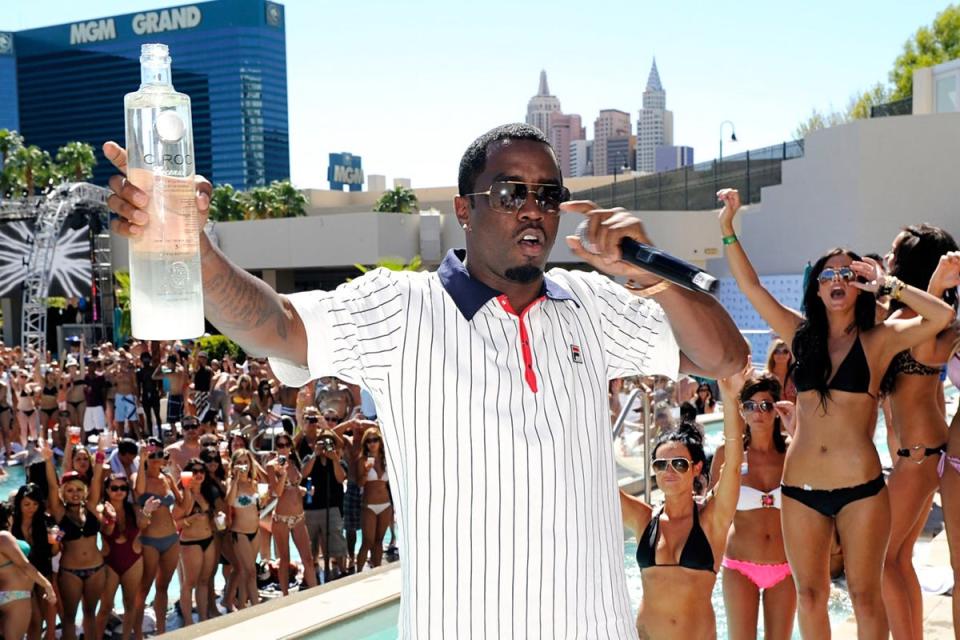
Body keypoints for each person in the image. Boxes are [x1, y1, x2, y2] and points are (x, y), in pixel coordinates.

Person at [105, 123, 747, 638]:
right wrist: (197, 248)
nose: (533, 210)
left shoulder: (590, 303)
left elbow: (724, 358)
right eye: (510, 192)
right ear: (465, 209)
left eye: (547, 194)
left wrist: (645, 271)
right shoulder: (401, 308)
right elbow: (274, 325)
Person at [717, 187, 955, 638]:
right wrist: (728, 229)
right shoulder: (800, 334)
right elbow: (751, 286)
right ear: (818, 286)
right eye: (829, 274)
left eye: (848, 272)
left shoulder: (879, 339)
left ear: (859, 283)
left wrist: (890, 284)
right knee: (810, 596)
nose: (838, 279)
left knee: (866, 596)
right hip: (801, 490)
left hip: (861, 491)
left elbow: (940, 317)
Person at [619, 361, 745, 639]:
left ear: (696, 468)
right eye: (661, 465)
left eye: (679, 463)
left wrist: (731, 397)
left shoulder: (712, 519)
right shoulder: (644, 519)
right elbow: (599, 483)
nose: (670, 471)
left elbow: (733, 464)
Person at [878, 226, 960, 640]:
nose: (888, 256)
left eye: (894, 249)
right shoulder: (909, 315)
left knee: (881, 558)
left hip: (919, 455)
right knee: (899, 556)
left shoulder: (923, 320)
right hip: (921, 452)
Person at [709, 374, 796, 640]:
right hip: (739, 565)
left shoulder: (793, 452)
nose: (758, 413)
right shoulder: (728, 454)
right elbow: (713, 514)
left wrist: (796, 430)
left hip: (786, 566)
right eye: (750, 405)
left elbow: (822, 490)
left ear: (777, 409)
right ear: (741, 410)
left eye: (766, 405)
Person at [42, 441, 106, 640]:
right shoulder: (60, 513)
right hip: (70, 571)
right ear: (64, 493)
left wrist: (100, 455)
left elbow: (96, 480)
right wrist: (47, 459)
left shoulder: (92, 507)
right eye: (70, 490)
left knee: (90, 615)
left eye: (78, 489)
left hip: (97, 568)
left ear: (84, 491)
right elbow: (52, 485)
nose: (75, 494)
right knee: (69, 618)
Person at [133, 438, 182, 635]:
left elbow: (180, 502)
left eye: (159, 455)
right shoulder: (139, 478)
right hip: (149, 540)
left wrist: (183, 480)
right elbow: (139, 491)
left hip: (171, 538)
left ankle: (162, 631)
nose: (155, 459)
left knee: (163, 587)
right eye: (151, 456)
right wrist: (142, 457)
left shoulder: (167, 479)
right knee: (144, 587)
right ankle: (137, 632)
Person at [97, 472, 147, 640]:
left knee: (130, 604)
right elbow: (106, 531)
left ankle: (126, 638)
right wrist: (110, 518)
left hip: (133, 559)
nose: (119, 491)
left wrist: (147, 512)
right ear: (107, 490)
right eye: (115, 488)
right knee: (105, 607)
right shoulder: (101, 509)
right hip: (110, 561)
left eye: (123, 488)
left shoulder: (133, 509)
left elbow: (144, 525)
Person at [267, 434, 318, 594]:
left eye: (286, 445)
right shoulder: (272, 466)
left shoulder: (294, 462)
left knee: (308, 559)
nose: (284, 448)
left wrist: (304, 490)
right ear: (276, 448)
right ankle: (285, 596)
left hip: (299, 517)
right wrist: (282, 474)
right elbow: (277, 492)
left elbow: (293, 488)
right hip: (281, 518)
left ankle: (315, 593)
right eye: (280, 445)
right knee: (285, 560)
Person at [0, 504, 57, 640]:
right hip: (16, 595)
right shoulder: (4, 536)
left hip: (8, 594)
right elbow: (25, 566)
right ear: (8, 517)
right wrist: (47, 585)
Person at [12, 483, 59, 640]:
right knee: (35, 620)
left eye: (35, 504)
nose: (31, 508)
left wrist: (57, 540)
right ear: (19, 503)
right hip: (20, 575)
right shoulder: (11, 522)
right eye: (26, 504)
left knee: (45, 618)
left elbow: (54, 552)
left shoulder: (46, 521)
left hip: (42, 572)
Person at [300, 427, 348, 580]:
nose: (326, 446)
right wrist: (315, 454)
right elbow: (303, 474)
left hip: (332, 507)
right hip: (312, 508)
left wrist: (333, 459)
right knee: (311, 545)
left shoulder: (338, 461)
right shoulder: (310, 458)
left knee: (336, 542)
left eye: (329, 443)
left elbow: (341, 478)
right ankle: (313, 575)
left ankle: (341, 571)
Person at [174, 458, 218, 624]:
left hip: (208, 539)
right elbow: (174, 524)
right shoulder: (184, 496)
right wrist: (192, 518)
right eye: (195, 471)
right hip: (190, 543)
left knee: (204, 581)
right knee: (189, 583)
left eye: (202, 471)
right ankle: (188, 622)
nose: (199, 474)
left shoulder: (206, 492)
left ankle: (203, 617)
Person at [225, 448, 262, 609]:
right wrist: (235, 479)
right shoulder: (232, 483)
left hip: (255, 531)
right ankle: (256, 606)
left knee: (246, 572)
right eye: (239, 463)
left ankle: (241, 604)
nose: (243, 466)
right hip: (239, 533)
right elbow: (230, 501)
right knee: (251, 571)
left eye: (245, 462)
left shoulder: (253, 483)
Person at [356, 427, 392, 571]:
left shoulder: (386, 459)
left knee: (379, 542)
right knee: (367, 542)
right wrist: (365, 471)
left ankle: (377, 570)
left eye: (375, 440)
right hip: (369, 505)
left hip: (385, 504)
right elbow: (360, 483)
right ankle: (358, 574)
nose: (372, 443)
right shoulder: (362, 460)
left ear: (380, 442)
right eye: (369, 441)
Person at [136, 352, 162, 438]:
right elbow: (139, 385)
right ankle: (151, 434)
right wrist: (139, 396)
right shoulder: (139, 372)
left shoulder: (154, 369)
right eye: (144, 359)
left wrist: (160, 391)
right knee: (148, 416)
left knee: (157, 415)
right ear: (141, 360)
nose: (146, 361)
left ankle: (160, 433)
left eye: (147, 358)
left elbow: (159, 381)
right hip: (145, 395)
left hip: (154, 393)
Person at [763, 338, 797, 403]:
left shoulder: (796, 377)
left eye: (785, 351)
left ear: (790, 355)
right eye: (777, 352)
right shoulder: (765, 378)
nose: (781, 355)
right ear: (772, 355)